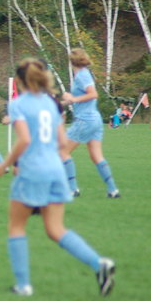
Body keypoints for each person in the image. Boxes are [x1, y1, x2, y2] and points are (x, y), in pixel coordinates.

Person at [0, 58, 116, 297]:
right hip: (55, 170)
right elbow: (61, 141)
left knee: (16, 227)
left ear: (19, 80)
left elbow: (25, 139)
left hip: (32, 171)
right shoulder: (51, 103)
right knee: (55, 229)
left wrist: (5, 164)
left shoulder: (18, 104)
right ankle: (99, 264)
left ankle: (23, 285)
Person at [60, 48, 120, 198]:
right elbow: (82, 98)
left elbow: (93, 94)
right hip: (94, 120)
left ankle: (72, 189)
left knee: (62, 152)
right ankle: (113, 190)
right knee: (96, 156)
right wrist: (64, 102)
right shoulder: (84, 74)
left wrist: (73, 99)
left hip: (85, 120)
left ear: (71, 61)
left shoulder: (82, 75)